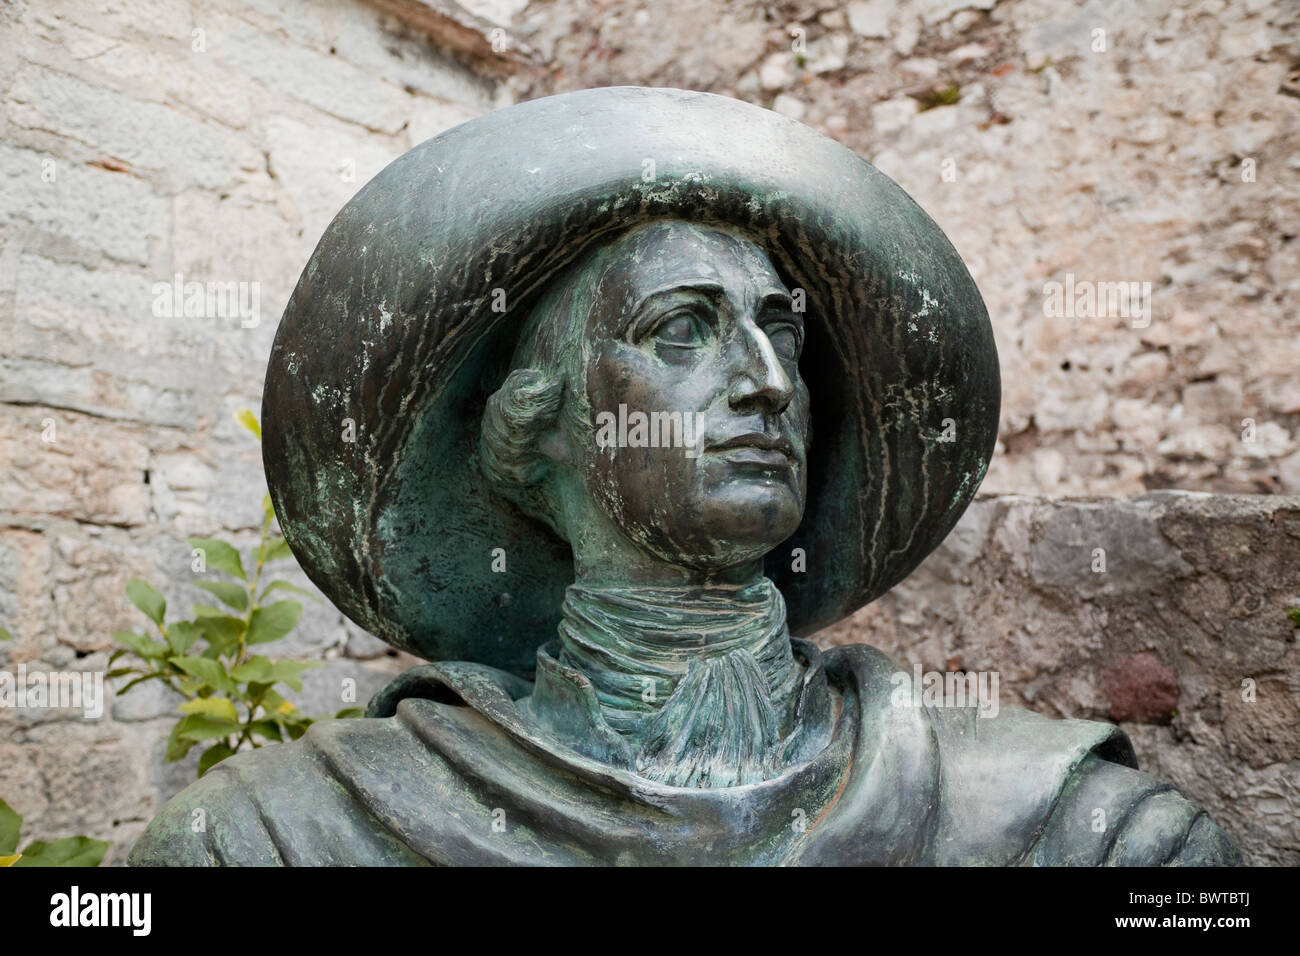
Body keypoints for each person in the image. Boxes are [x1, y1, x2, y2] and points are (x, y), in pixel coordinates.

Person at [129, 88, 1239, 866]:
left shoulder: (1078, 831)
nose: (764, 381)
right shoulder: (274, 840)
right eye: (681, 331)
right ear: (541, 426)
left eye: (780, 335)